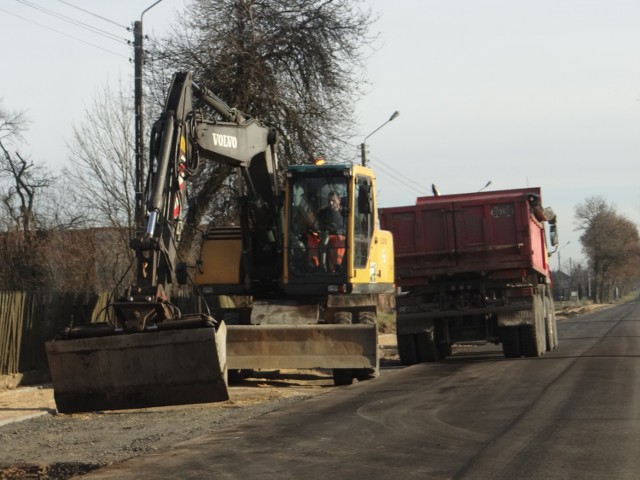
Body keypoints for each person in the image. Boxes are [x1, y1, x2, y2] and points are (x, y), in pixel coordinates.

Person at [307, 192, 346, 272]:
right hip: (323, 236)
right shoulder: (323, 213)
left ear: (339, 200)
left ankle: (337, 267)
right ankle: (313, 264)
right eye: (329, 201)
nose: (331, 203)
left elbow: (351, 228)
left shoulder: (345, 214)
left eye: (333, 200)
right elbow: (315, 223)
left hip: (337, 238)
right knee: (311, 237)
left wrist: (341, 231)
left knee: (338, 239)